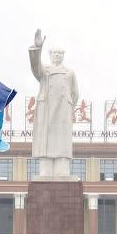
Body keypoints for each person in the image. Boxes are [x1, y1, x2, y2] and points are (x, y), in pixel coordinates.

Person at [27, 29, 79, 179]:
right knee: (46, 139)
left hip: (62, 112)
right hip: (47, 110)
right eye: (54, 53)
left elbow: (75, 93)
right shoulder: (45, 71)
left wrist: (68, 106)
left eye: (60, 54)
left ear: (63, 56)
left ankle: (62, 169)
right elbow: (36, 68)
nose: (57, 56)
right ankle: (46, 169)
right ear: (50, 56)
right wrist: (37, 49)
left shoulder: (69, 72)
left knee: (61, 140)